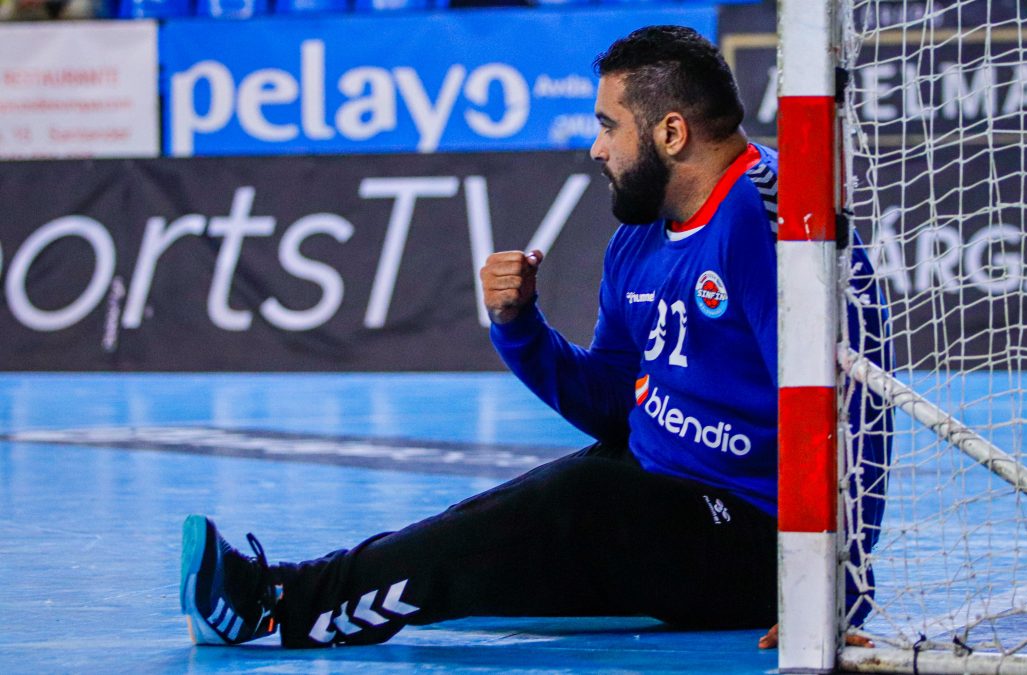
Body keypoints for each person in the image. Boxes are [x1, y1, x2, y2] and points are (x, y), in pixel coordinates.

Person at [180, 25, 891, 650]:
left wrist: (832, 587)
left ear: (671, 133)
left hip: (760, 542)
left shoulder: (773, 222)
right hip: (662, 491)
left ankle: (280, 604)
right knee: (509, 515)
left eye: (609, 126)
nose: (595, 147)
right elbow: (614, 404)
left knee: (572, 500)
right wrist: (521, 329)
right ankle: (310, 589)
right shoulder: (640, 234)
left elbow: (855, 408)